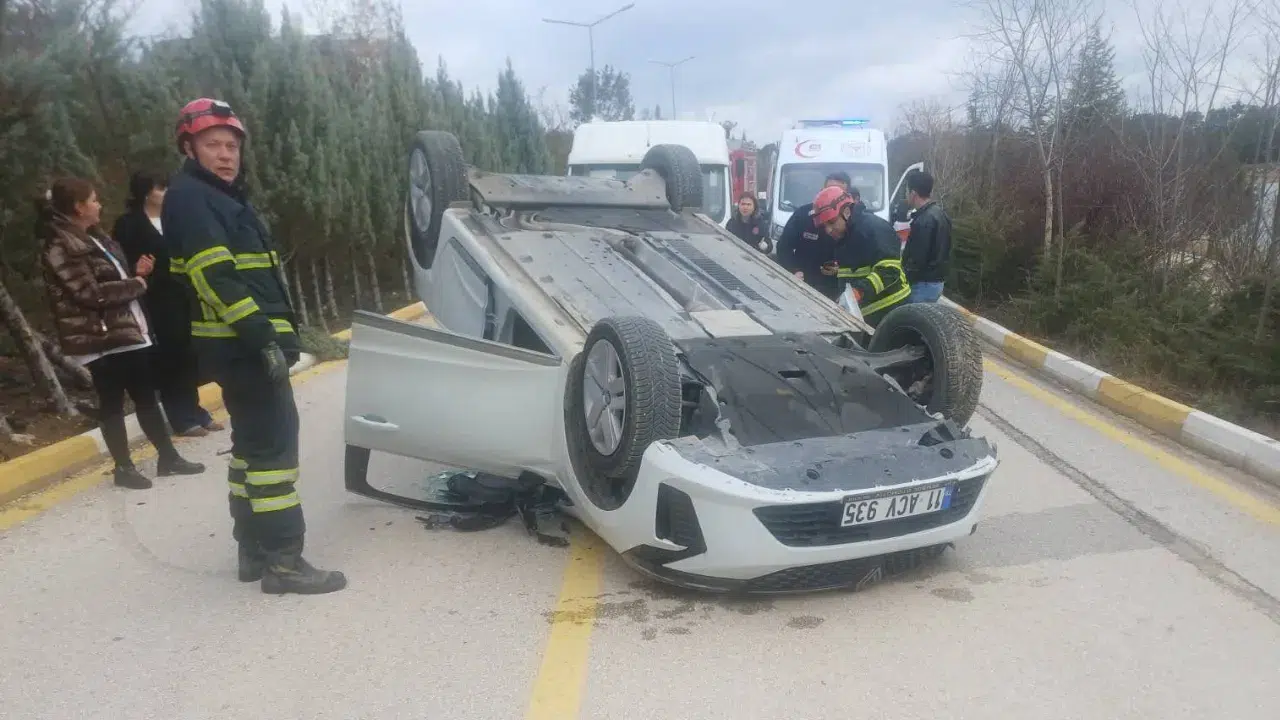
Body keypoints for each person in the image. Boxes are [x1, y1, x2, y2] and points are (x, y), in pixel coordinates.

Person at [162, 97, 346, 595]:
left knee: (250, 450)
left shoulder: (217, 198)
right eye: (213, 145)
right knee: (274, 453)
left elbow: (253, 278)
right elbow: (214, 276)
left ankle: (253, 550)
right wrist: (264, 338)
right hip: (242, 347)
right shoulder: (193, 198)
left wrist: (291, 330)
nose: (225, 154)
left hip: (235, 346)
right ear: (189, 147)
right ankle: (284, 561)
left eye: (231, 145)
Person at [38, 177, 206, 489]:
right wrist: (137, 284)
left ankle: (168, 457)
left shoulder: (95, 237)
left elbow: (111, 281)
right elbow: (88, 293)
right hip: (100, 338)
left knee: (145, 396)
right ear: (78, 207)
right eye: (93, 199)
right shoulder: (60, 246)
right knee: (112, 402)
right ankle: (123, 468)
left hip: (126, 331)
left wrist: (135, 273)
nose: (99, 204)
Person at [112, 169, 224, 438]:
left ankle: (195, 410)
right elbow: (119, 263)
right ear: (146, 192)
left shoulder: (174, 219)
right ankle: (181, 417)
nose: (166, 193)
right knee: (170, 358)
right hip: (155, 300)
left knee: (189, 354)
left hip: (185, 294)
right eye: (160, 188)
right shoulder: (128, 224)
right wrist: (137, 270)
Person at [811, 184, 911, 327]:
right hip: (864, 316)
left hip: (890, 312)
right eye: (824, 225)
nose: (828, 230)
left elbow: (889, 271)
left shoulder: (875, 229)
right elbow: (859, 268)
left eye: (832, 222)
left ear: (846, 212)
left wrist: (857, 292)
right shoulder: (844, 235)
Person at [774, 171, 851, 301]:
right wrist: (793, 270)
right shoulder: (803, 215)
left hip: (836, 290)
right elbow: (783, 247)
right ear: (821, 190)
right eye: (829, 190)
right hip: (803, 285)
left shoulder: (852, 222)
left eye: (838, 193)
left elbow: (859, 258)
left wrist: (841, 269)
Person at [901, 171, 952, 303]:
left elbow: (918, 259)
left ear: (913, 193)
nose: (905, 195)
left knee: (911, 321)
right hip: (937, 281)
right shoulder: (941, 214)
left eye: (906, 191)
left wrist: (903, 276)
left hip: (923, 284)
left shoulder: (923, 221)